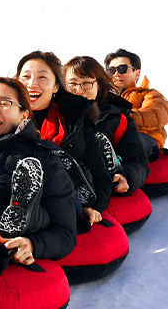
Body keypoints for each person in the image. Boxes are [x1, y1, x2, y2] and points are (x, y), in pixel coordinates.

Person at [0, 78, 76, 272]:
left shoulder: (41, 158)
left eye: (4, 103)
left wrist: (32, 244)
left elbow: (65, 232)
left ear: (23, 114)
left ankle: (23, 217)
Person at [16, 51, 112, 229]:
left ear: (55, 87)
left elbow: (101, 176)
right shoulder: (2, 119)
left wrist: (93, 208)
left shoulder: (75, 122)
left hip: (65, 195)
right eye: (26, 77)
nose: (32, 84)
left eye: (42, 77)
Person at [63, 56, 149, 195]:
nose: (78, 90)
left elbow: (137, 159)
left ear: (99, 85)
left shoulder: (115, 118)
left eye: (86, 83)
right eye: (72, 83)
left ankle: (111, 164)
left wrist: (127, 176)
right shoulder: (55, 115)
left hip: (100, 176)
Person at [103, 49, 168, 157]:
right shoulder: (103, 97)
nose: (116, 74)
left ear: (137, 74)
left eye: (122, 69)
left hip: (144, 138)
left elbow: (156, 113)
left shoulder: (149, 94)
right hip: (113, 138)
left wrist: (124, 116)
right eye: (111, 70)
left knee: (128, 141)